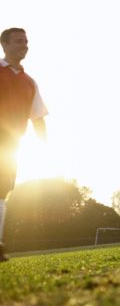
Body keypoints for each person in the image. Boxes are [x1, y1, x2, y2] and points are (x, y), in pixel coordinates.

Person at [0, 28, 48, 262]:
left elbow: (37, 117)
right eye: (19, 41)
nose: (25, 45)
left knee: (2, 192)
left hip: (12, 145)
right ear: (4, 45)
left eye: (26, 41)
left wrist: (45, 146)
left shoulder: (30, 83)